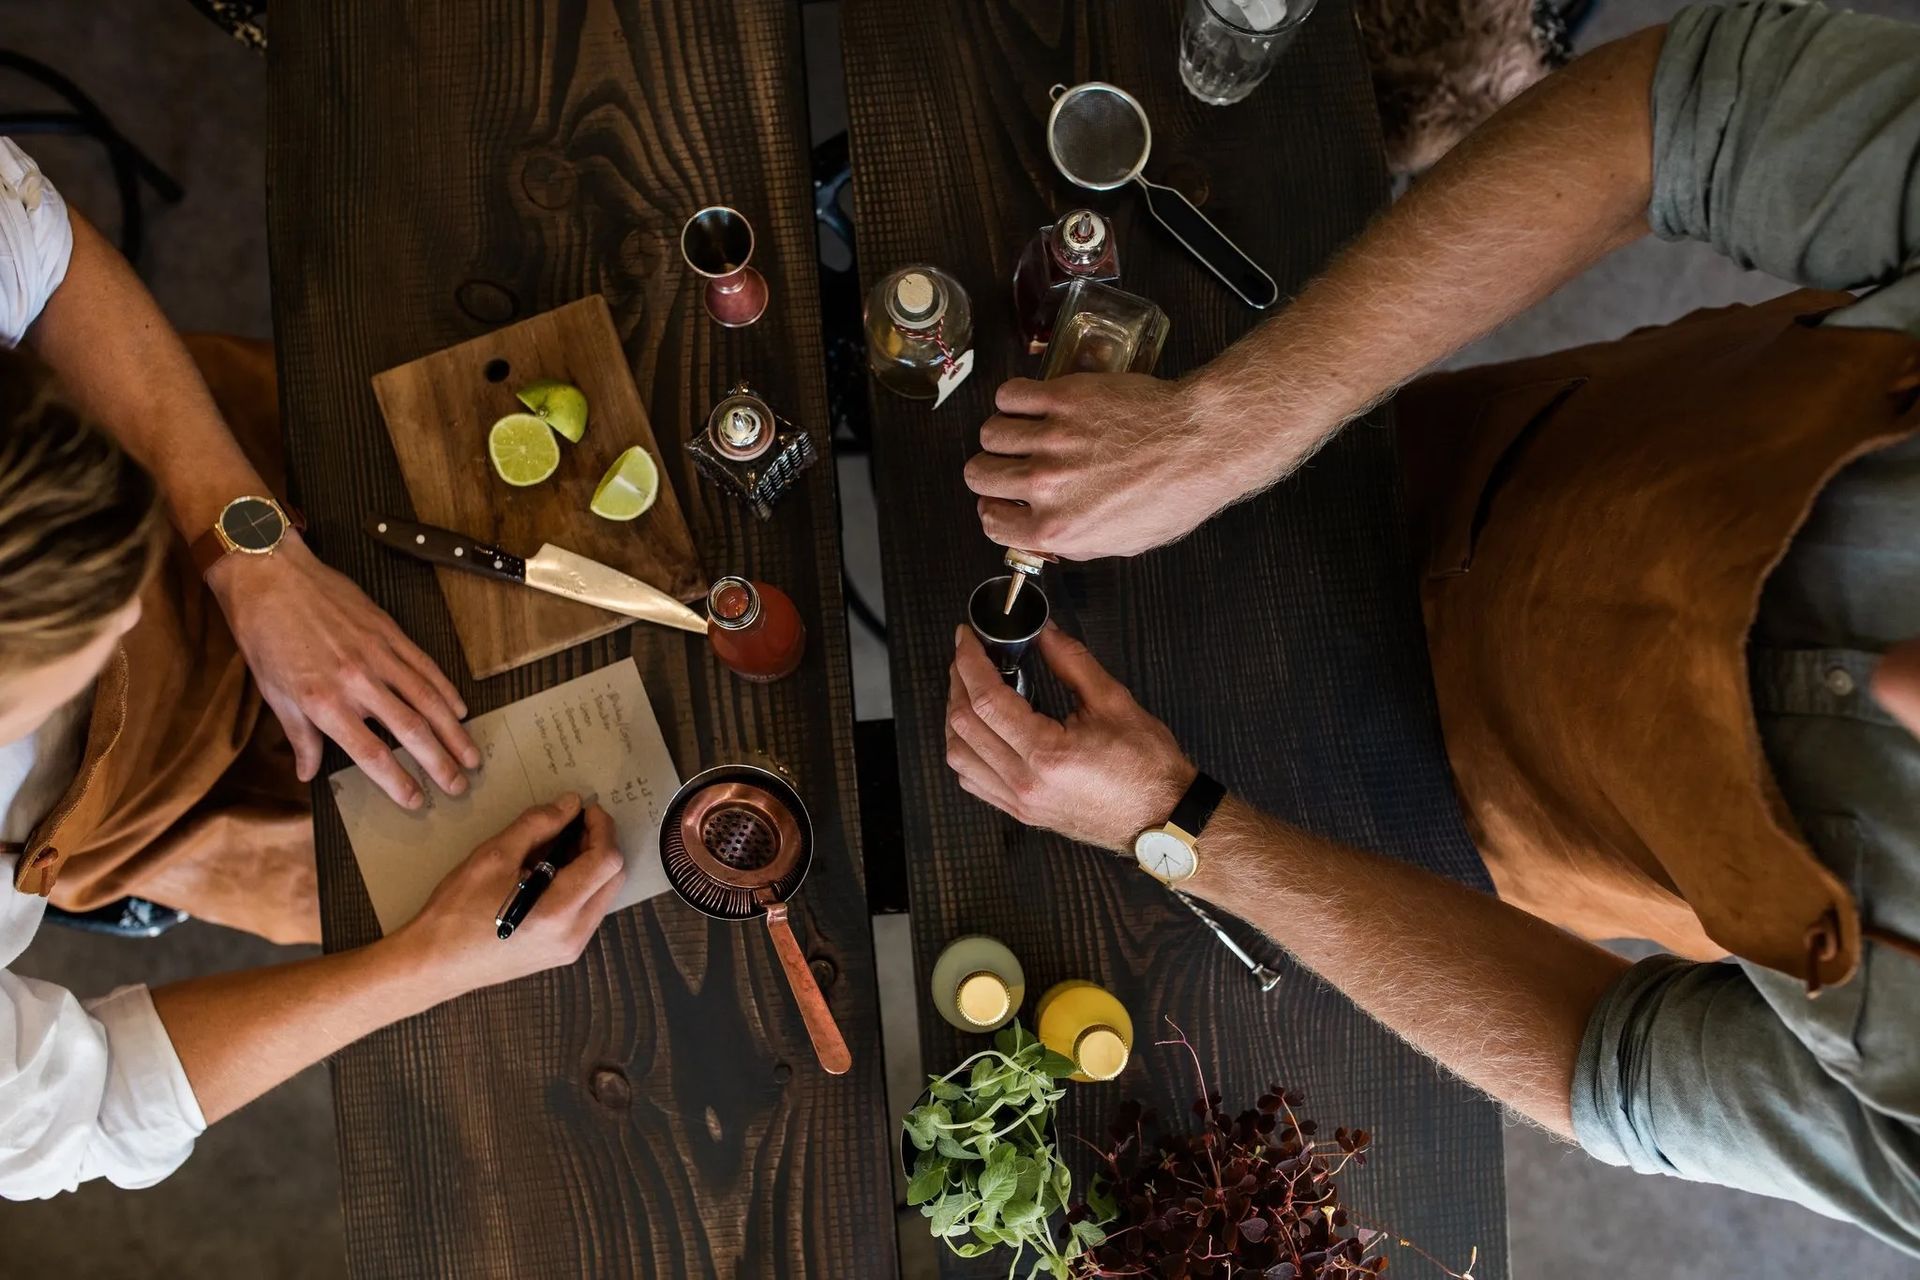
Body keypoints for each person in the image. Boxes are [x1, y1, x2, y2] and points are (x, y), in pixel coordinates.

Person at [950, 0, 1920, 1254]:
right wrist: (1230, 426)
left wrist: (1177, 823)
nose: (1900, 682)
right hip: (1484, 453)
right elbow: (1669, 117)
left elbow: (1607, 1067)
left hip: (1457, 810)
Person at [0, 342, 629, 1196]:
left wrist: (246, 549)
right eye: (95, 633)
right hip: (148, 816)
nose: (133, 611)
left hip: (205, 484)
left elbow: (49, 263)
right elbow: (91, 1108)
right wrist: (434, 957)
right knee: (402, 894)